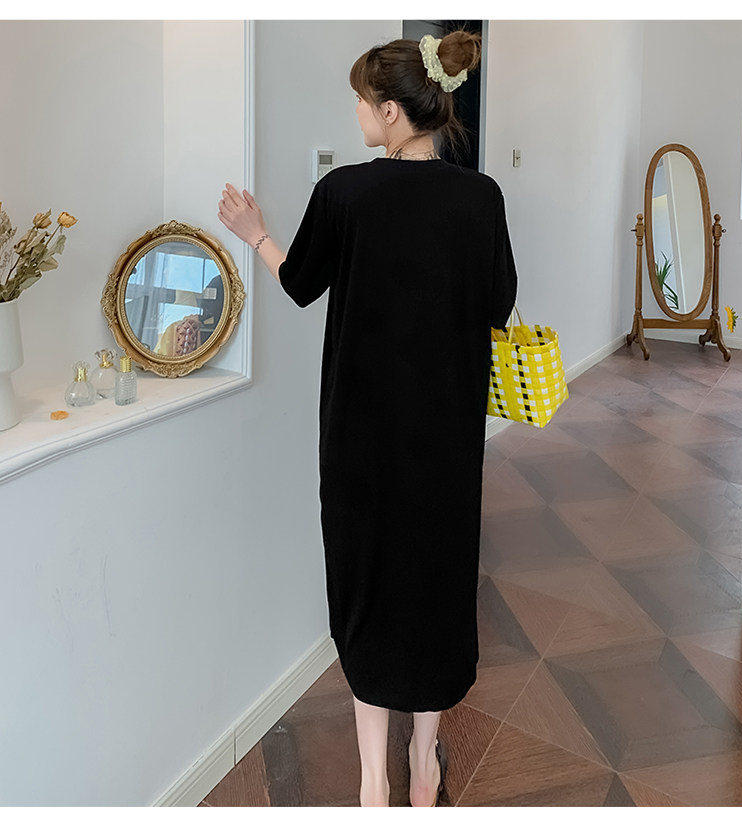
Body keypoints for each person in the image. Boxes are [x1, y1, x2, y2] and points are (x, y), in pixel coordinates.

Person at [218, 29, 517, 807]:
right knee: (436, 581)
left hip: (361, 438)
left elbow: (300, 283)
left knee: (368, 587)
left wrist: (256, 235)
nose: (354, 111)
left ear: (389, 111)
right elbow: (499, 304)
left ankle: (371, 781)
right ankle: (424, 762)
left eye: (360, 99)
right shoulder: (481, 197)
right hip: (447, 438)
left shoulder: (345, 194)